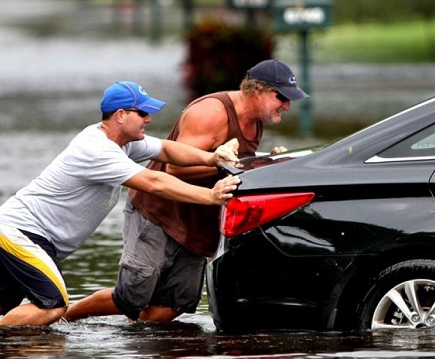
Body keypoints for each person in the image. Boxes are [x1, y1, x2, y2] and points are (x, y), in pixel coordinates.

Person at [0, 81, 242, 327]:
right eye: (143, 113)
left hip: (22, 229)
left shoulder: (123, 142)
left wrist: (212, 157)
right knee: (52, 306)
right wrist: (210, 196)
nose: (149, 119)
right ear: (121, 115)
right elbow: (154, 182)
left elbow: (167, 150)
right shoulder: (97, 150)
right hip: (23, 230)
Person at [64, 58, 308, 324]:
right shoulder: (211, 112)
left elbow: (236, 165)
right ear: (258, 91)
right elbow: (174, 170)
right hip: (159, 212)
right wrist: (239, 165)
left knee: (175, 304)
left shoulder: (256, 119)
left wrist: (266, 162)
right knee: (130, 297)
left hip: (196, 218)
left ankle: (133, 342)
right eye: (281, 97)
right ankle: (64, 317)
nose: (287, 105)